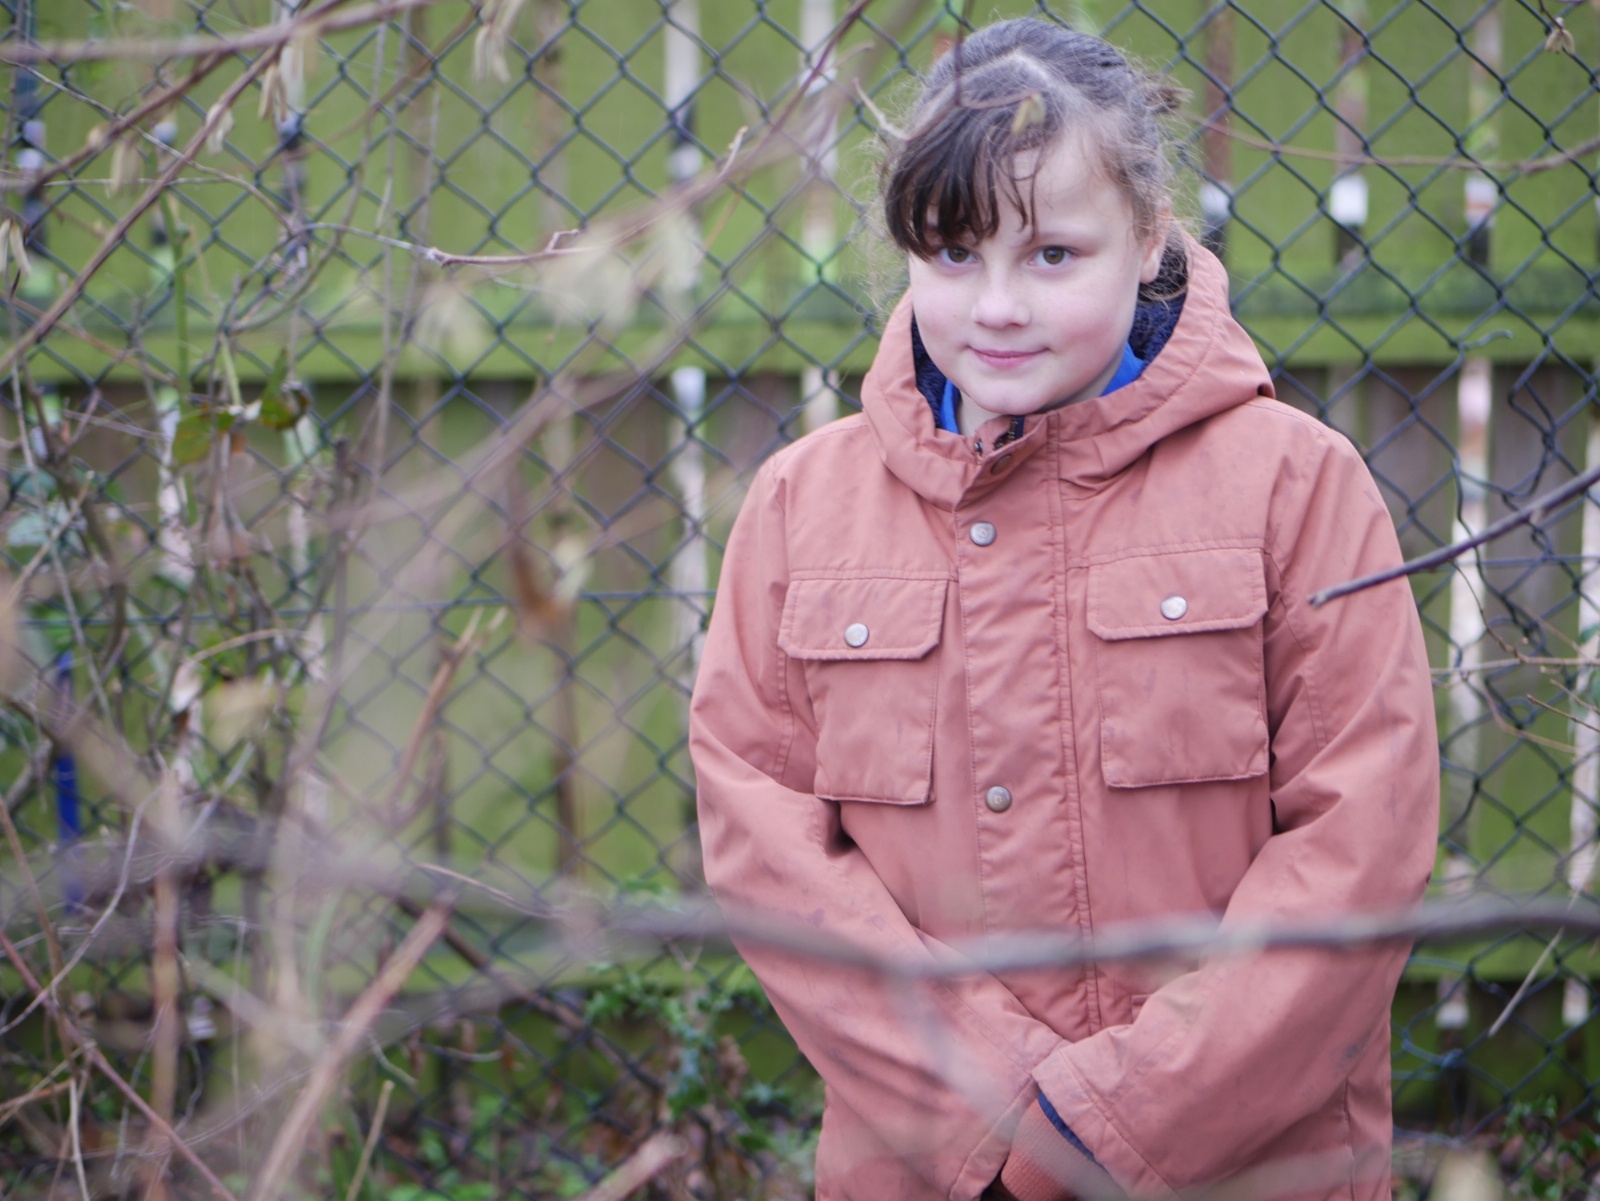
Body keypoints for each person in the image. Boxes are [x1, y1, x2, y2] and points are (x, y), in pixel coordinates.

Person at [690, 17, 1438, 1201]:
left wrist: (1112, 1126)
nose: (996, 306)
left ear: (1146, 239)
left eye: (1050, 254)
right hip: (929, 1172)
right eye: (953, 254)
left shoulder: (1293, 486)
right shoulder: (801, 508)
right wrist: (989, 1112)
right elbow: (769, 846)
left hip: (1244, 1167)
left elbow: (1360, 844)